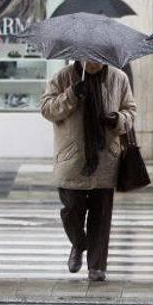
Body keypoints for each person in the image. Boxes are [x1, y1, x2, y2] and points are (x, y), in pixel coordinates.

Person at [40, 60, 136, 282]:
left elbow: (130, 111)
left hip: (105, 158)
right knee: (71, 210)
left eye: (98, 59)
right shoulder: (63, 77)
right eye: (88, 58)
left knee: (101, 215)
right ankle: (79, 243)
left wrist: (118, 119)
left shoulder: (118, 78)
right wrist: (71, 95)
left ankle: (97, 266)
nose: (93, 62)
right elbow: (47, 109)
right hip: (72, 159)